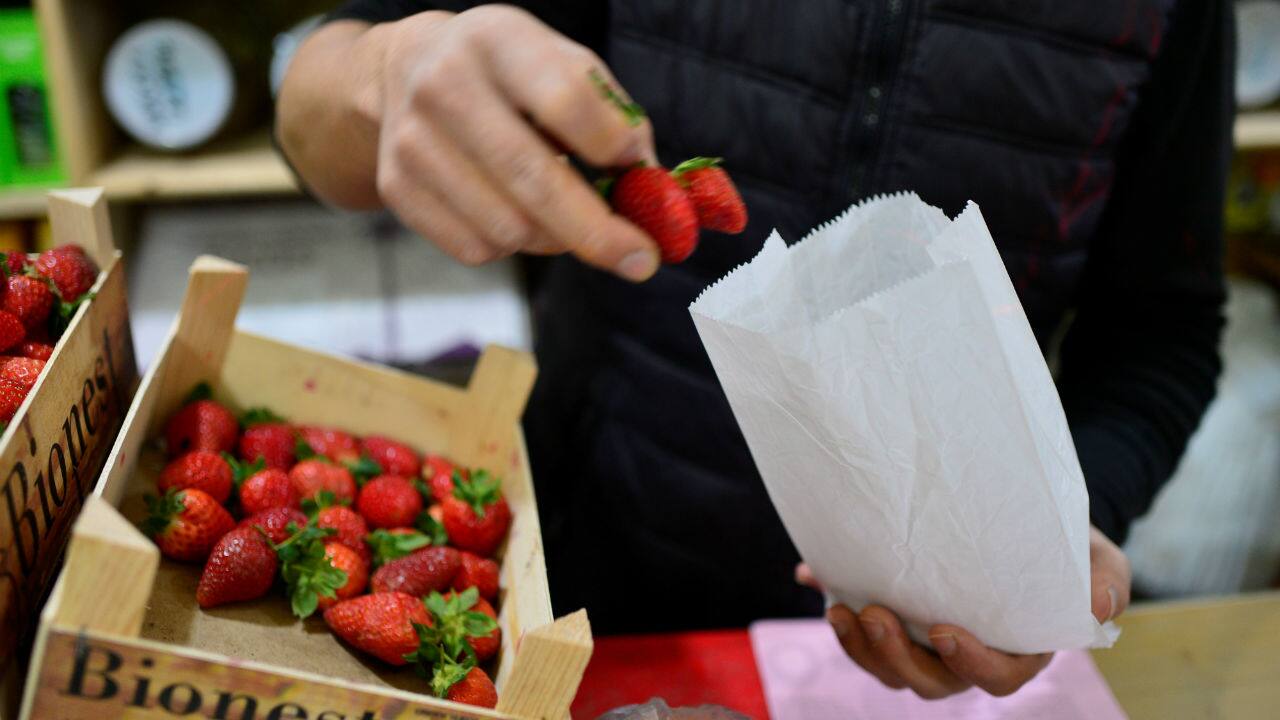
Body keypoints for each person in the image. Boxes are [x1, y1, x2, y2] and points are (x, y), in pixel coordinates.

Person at [276, 1, 1232, 699]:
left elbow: (1161, 336)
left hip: (930, 619)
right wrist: (387, 67)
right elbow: (311, 113)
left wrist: (1061, 539)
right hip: (579, 578)